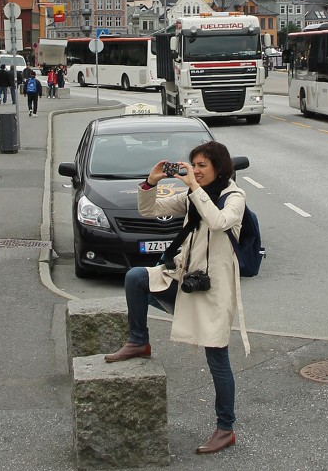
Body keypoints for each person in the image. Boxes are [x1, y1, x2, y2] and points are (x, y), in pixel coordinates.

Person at [104, 140, 248, 456]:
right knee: (136, 278)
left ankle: (225, 429)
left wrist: (195, 189)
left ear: (219, 168)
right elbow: (150, 209)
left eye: (201, 166)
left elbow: (220, 222)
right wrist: (151, 181)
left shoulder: (234, 197)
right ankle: (138, 340)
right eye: (192, 165)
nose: (194, 171)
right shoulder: (192, 195)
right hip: (184, 280)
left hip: (213, 292)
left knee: (217, 359)